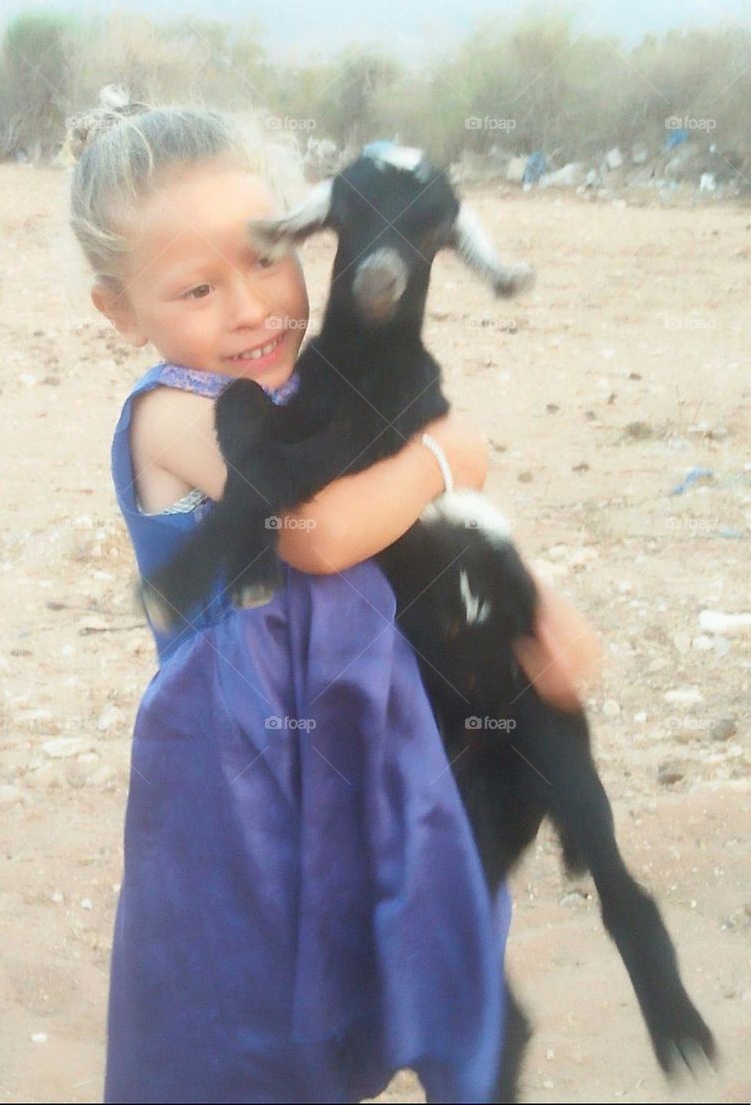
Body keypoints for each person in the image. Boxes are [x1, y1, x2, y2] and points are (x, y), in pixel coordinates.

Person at [65, 99, 602, 1104]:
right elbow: (318, 531)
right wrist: (449, 453)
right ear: (121, 310)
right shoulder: (177, 412)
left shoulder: (324, 391)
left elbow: (434, 536)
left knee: (398, 948)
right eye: (195, 287)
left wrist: (540, 608)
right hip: (237, 776)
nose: (251, 307)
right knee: (245, 1012)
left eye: (267, 260)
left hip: (370, 734)